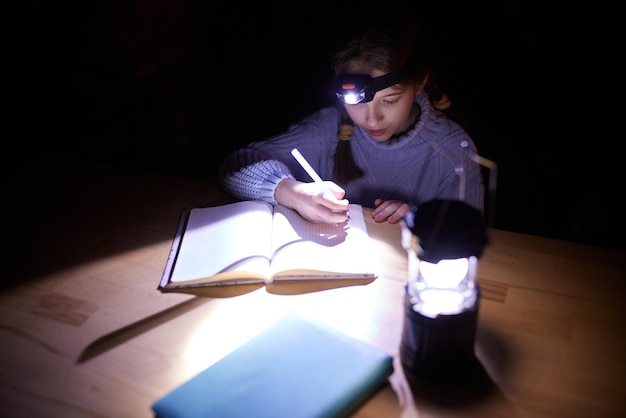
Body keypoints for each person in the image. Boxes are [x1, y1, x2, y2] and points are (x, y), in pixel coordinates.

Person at [218, 10, 484, 225]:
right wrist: (290, 191)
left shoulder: (454, 150)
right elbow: (235, 165)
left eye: (389, 101)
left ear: (420, 83)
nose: (372, 119)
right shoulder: (328, 129)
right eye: (357, 103)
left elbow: (472, 233)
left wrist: (422, 220)